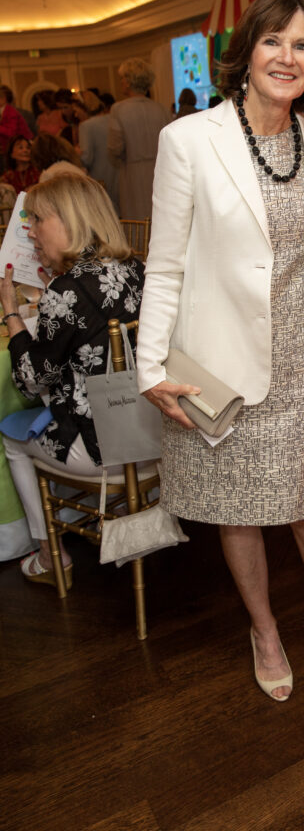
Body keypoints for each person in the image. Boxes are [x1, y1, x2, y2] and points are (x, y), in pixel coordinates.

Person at [136, 0, 304, 702]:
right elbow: (164, 265)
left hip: (300, 363)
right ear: (245, 52)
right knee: (237, 512)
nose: (286, 56)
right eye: (272, 41)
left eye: (301, 45)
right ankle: (262, 627)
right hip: (220, 361)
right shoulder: (189, 141)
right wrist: (149, 369)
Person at [0, 174, 145, 585]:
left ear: (67, 220)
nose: (30, 231)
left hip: (105, 448)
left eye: (36, 220)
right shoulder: (136, 266)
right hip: (156, 433)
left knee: (12, 437)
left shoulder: (66, 290)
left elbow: (30, 379)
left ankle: (50, 554)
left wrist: (12, 313)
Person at [107, 58, 173, 220]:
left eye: (122, 78)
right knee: (160, 218)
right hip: (161, 172)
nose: (121, 82)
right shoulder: (161, 109)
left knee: (137, 220)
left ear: (129, 82)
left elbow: (115, 147)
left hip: (132, 174)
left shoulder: (119, 109)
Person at [78, 90, 120, 211]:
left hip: (99, 176)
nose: (76, 115)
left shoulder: (86, 126)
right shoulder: (112, 118)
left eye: (76, 111)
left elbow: (86, 158)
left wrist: (75, 154)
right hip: (118, 173)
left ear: (84, 108)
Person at [0, 85, 34, 157]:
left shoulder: (11, 112)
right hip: (9, 147)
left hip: (21, 145)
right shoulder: (4, 111)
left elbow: (11, 132)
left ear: (3, 99)